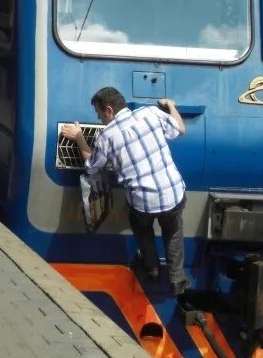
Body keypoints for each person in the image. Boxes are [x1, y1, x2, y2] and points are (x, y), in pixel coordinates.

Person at [60, 86, 189, 294]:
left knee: (141, 227)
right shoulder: (151, 113)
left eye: (99, 114)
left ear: (109, 110)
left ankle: (152, 269)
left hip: (142, 204)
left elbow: (91, 167)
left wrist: (79, 137)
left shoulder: (107, 137)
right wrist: (171, 106)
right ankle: (177, 279)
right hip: (172, 193)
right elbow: (180, 129)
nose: (100, 119)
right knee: (173, 232)